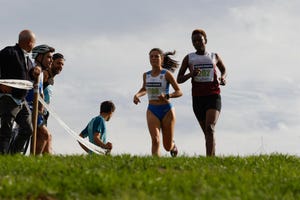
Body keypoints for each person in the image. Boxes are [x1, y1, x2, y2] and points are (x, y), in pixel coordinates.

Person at [176, 29, 227, 156]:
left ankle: (209, 160)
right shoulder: (189, 58)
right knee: (207, 133)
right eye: (194, 41)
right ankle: (212, 160)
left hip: (213, 96)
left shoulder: (214, 56)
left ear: (206, 40)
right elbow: (179, 79)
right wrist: (191, 74)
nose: (197, 43)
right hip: (198, 98)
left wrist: (223, 77)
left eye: (200, 40)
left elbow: (224, 69)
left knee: (210, 128)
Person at [133, 48, 182, 157]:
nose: (154, 58)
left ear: (162, 59)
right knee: (155, 140)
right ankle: (155, 166)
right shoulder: (146, 75)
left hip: (167, 110)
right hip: (152, 110)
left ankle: (173, 145)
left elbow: (179, 92)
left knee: (167, 146)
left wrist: (168, 95)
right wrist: (137, 95)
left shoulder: (166, 74)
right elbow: (144, 89)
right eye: (152, 56)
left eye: (156, 56)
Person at [0, 29, 41, 154]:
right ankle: (2, 156)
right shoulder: (9, 52)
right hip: (8, 97)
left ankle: (13, 156)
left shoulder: (28, 60)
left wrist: (34, 73)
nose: (34, 46)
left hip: (21, 101)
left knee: (28, 129)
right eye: (34, 43)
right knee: (6, 130)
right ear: (29, 42)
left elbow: (27, 77)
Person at [27, 44, 55, 154]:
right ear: (39, 57)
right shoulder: (32, 68)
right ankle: (35, 161)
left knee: (47, 137)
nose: (51, 60)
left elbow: (41, 93)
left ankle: (47, 164)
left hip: (36, 110)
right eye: (49, 57)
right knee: (44, 134)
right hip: (27, 107)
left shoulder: (42, 74)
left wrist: (41, 108)